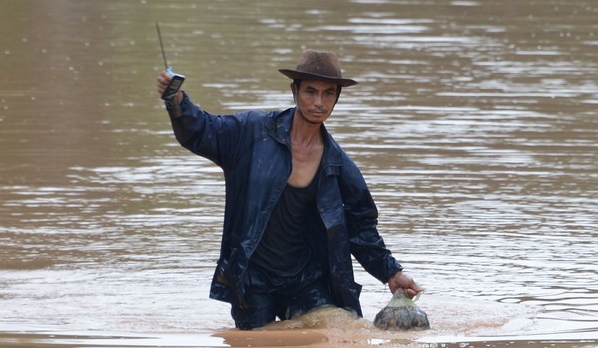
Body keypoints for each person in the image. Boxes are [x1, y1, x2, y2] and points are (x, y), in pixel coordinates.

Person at [156, 50, 423, 330]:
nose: (318, 102)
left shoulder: (339, 166)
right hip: (254, 278)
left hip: (309, 278)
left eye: (328, 94)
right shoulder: (251, 133)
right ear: (294, 90)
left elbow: (361, 229)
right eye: (310, 91)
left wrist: (391, 273)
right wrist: (176, 100)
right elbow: (202, 130)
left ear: (337, 98)